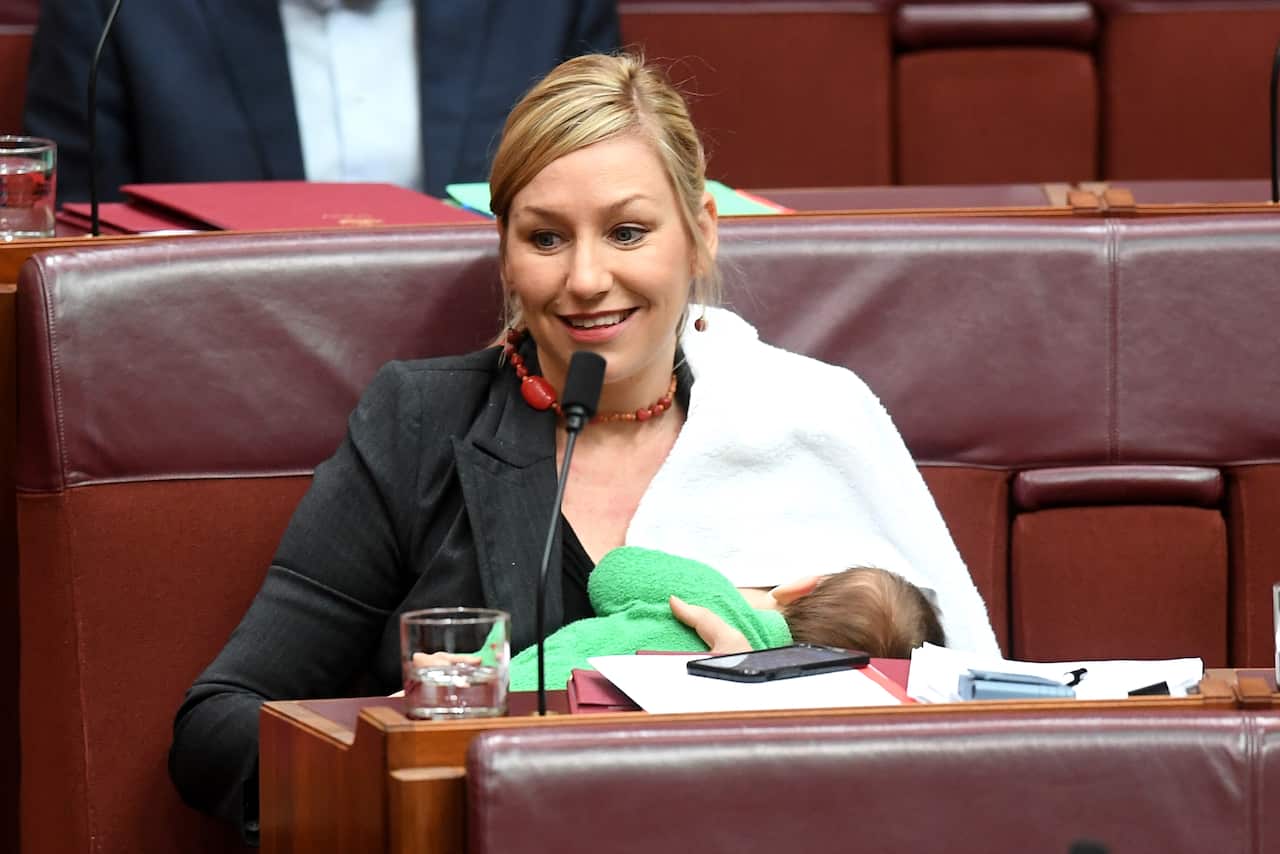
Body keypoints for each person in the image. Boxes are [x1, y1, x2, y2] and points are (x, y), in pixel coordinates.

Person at [169, 51, 1000, 841]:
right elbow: (217, 728)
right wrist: (415, 743)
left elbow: (970, 735)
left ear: (702, 231)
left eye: (629, 232)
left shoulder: (815, 418)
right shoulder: (420, 423)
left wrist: (755, 714)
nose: (587, 279)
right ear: (505, 253)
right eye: (546, 237)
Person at [22, 0, 619, 202]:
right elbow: (73, 244)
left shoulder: (545, 10)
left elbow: (609, 189)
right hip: (210, 393)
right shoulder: (117, 11)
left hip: (504, 385)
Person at [506, 546, 946, 691]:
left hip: (519, 689)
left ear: (801, 588)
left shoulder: (713, 599)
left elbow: (613, 574)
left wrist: (744, 595)